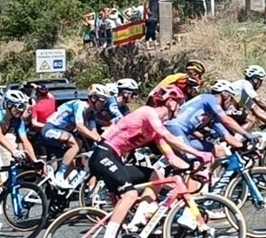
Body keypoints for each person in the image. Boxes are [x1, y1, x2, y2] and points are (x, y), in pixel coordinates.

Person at [88, 86, 212, 238]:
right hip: (103, 154)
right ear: (171, 103)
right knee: (131, 194)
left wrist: (194, 168)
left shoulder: (154, 131)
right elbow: (169, 138)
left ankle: (140, 216)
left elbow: (172, 159)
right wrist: (198, 153)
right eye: (180, 103)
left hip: (114, 158)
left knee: (157, 177)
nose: (180, 108)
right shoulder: (148, 112)